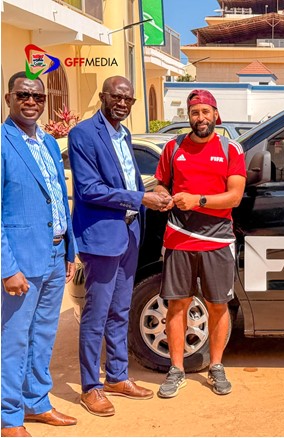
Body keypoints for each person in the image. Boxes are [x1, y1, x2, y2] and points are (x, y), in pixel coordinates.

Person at [68, 76, 171, 417]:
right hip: (101, 237)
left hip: (129, 233)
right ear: (103, 96)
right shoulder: (83, 134)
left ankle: (116, 376)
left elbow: (126, 180)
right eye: (117, 96)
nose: (123, 103)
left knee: (121, 310)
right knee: (96, 313)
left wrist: (151, 195)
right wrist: (141, 198)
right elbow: (89, 189)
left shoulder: (124, 134)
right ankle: (90, 387)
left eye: (129, 99)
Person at [154, 89, 246, 398]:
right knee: (177, 304)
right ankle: (176, 369)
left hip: (217, 239)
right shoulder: (173, 147)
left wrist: (198, 200)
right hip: (179, 238)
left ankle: (216, 366)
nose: (201, 117)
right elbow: (161, 185)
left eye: (206, 112)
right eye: (195, 112)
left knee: (218, 305)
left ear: (216, 115)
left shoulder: (230, 149)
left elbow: (234, 196)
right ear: (189, 116)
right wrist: (164, 197)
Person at [1, 71, 77, 437]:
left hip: (55, 255)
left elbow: (58, 198)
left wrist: (69, 250)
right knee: (14, 339)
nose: (31, 101)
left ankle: (37, 402)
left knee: (43, 335)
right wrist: (7, 267)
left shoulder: (47, 143)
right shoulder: (3, 143)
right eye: (23, 95)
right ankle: (9, 416)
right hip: (21, 262)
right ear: (9, 99)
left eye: (38, 96)